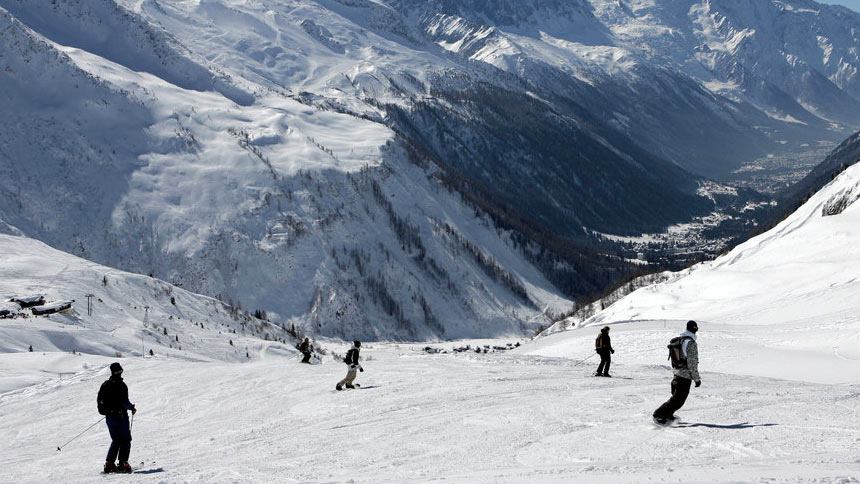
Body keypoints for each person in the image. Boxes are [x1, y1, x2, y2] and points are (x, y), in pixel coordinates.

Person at [653, 320, 701, 425]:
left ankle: (668, 415)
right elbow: (692, 363)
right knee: (678, 400)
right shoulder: (691, 342)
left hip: (677, 373)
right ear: (695, 329)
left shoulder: (681, 340)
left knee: (676, 398)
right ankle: (659, 415)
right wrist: (696, 379)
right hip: (684, 376)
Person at [97, 362, 137, 473]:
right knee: (125, 440)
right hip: (121, 417)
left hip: (109, 417)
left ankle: (109, 463)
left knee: (116, 440)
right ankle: (123, 463)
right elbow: (124, 402)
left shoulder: (105, 385)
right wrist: (131, 407)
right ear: (120, 371)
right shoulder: (121, 385)